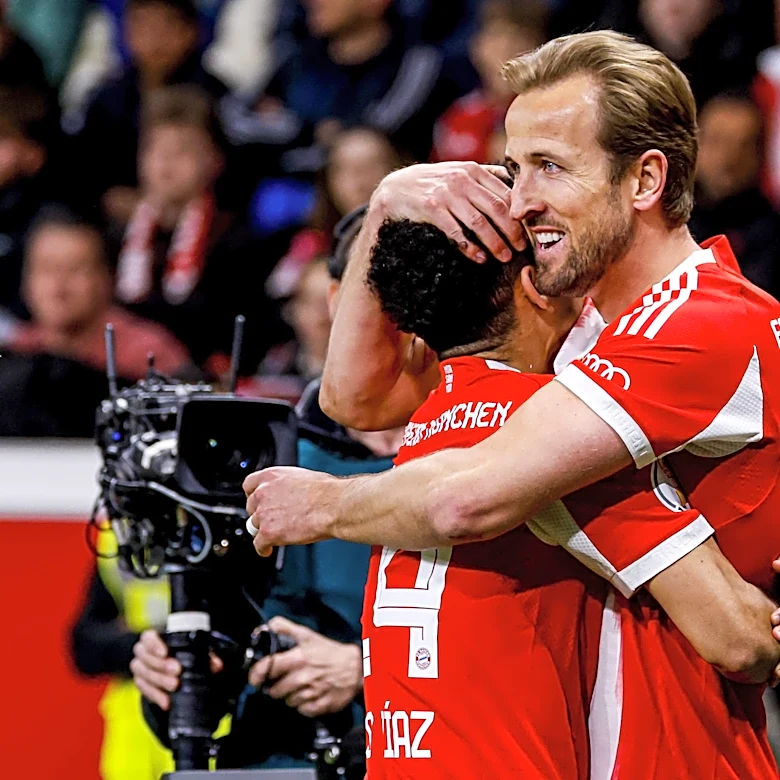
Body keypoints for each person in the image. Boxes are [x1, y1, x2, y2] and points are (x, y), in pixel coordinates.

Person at [244, 31, 780, 779]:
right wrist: (389, 202)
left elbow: (470, 496)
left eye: (550, 168)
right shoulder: (578, 321)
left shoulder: (695, 324)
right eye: (512, 168)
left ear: (646, 180)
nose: (520, 203)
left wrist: (325, 505)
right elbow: (356, 398)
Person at [130, 210, 402, 772]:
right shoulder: (250, 457)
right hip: (270, 760)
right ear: (333, 299)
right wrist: (178, 674)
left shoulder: (483, 455)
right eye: (367, 286)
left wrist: (364, 672)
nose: (387, 311)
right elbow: (216, 660)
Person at [114, 85, 279, 375]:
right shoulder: (116, 237)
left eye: (182, 151)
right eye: (154, 149)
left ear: (214, 160)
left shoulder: (236, 241)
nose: (166, 163)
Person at [68, 0, 228, 222]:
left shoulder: (217, 97)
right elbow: (84, 168)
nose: (154, 40)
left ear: (192, 31)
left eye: (165, 27)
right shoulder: (106, 98)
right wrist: (112, 198)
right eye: (142, 27)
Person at [6, 207, 191, 381]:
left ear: (107, 278)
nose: (59, 286)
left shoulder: (150, 357)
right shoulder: (15, 353)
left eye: (75, 268)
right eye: (46, 268)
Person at [689, 89, 780, 299]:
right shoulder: (666, 224)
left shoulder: (772, 238)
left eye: (743, 145)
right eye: (717, 141)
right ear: (695, 145)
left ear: (760, 154)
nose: (728, 159)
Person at [432, 0, 547, 164]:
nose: (505, 48)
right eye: (496, 36)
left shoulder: (545, 113)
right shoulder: (457, 115)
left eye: (518, 38)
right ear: (476, 47)